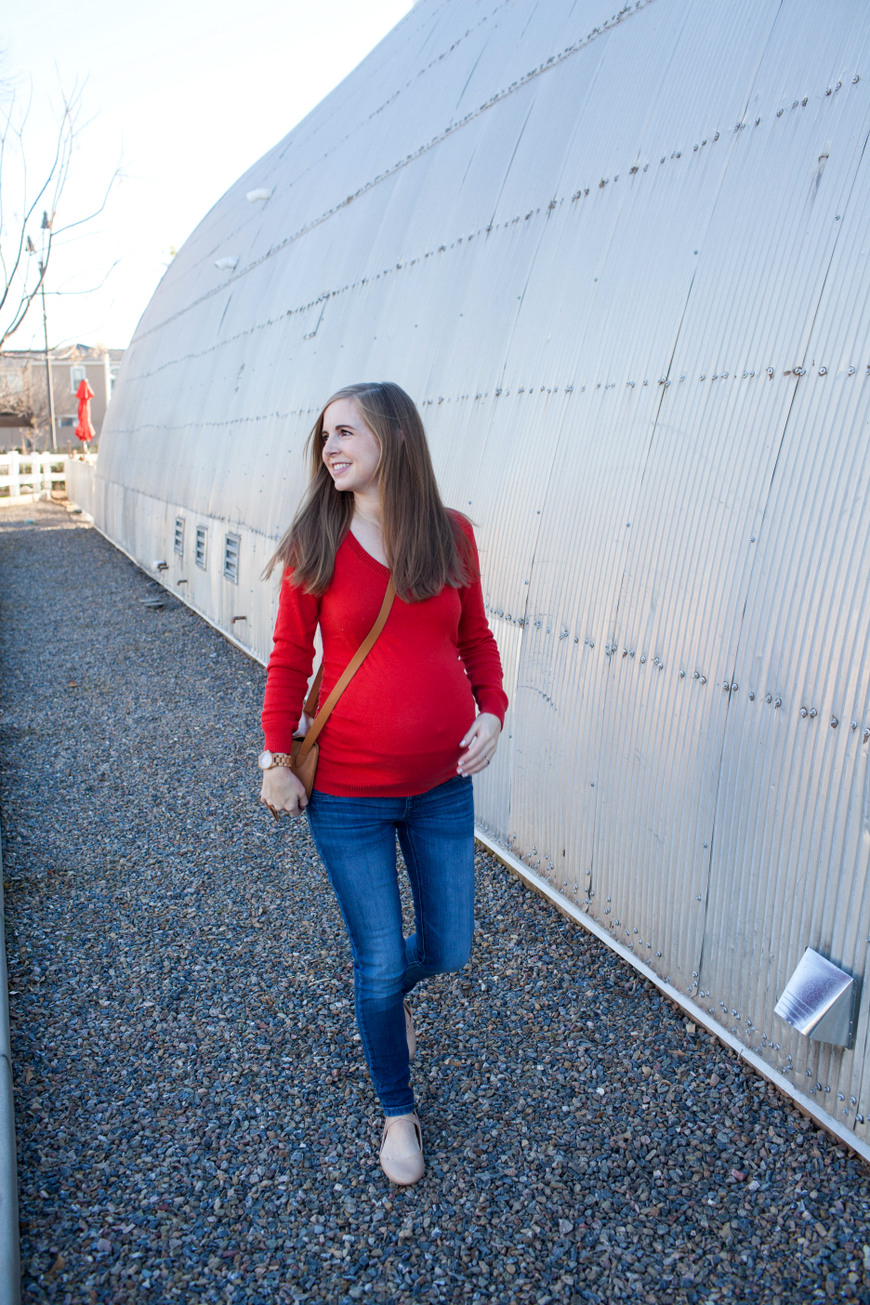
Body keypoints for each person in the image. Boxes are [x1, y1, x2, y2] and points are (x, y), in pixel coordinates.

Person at [258, 381, 508, 1186]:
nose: (328, 447)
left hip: (442, 786)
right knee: (374, 960)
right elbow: (291, 659)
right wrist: (272, 759)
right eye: (323, 435)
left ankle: (385, 995)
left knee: (448, 945)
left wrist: (494, 712)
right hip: (349, 797)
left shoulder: (453, 535)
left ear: (393, 438)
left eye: (345, 432)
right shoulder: (316, 540)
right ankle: (398, 1114)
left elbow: (475, 638)